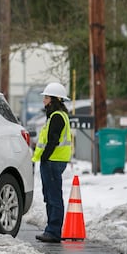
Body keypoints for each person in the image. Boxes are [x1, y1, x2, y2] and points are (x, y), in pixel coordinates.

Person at [31, 82, 73, 243]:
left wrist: (45, 157)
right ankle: (51, 229)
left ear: (54, 99)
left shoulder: (56, 116)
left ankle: (54, 231)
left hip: (53, 161)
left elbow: (52, 140)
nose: (44, 100)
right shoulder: (56, 115)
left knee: (53, 197)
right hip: (53, 161)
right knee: (50, 195)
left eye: (46, 97)